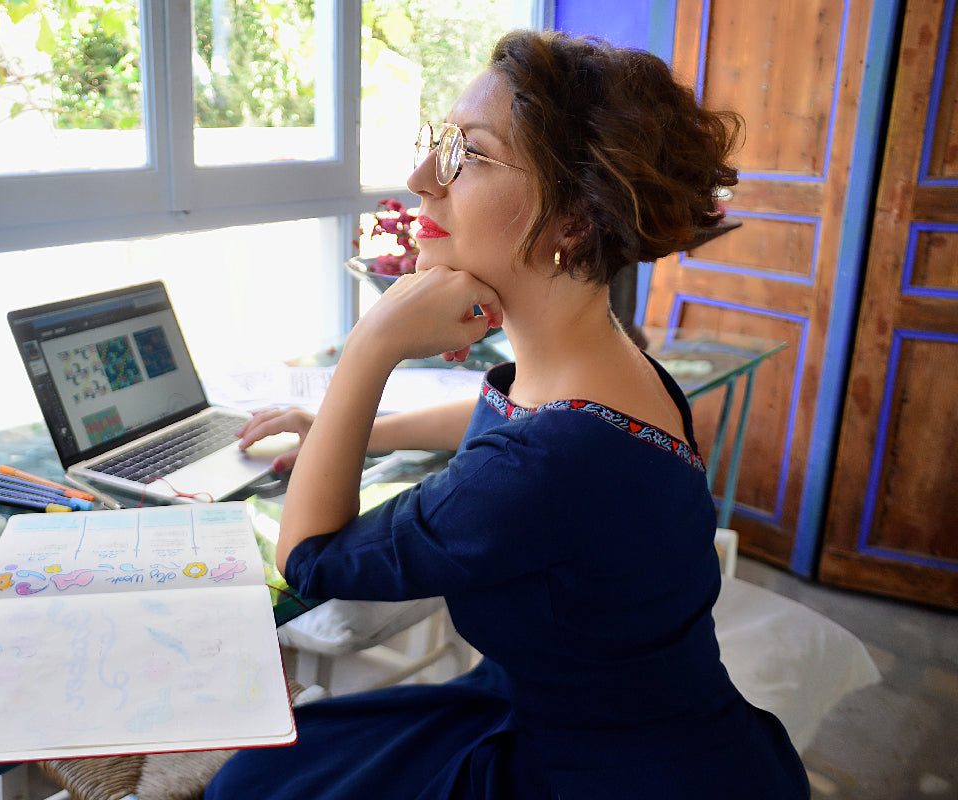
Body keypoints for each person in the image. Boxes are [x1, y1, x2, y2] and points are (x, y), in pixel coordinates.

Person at [207, 29, 810, 800]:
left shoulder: (546, 466)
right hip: (624, 716)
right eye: (442, 143)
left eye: (472, 155)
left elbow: (310, 557)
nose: (422, 176)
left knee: (251, 784)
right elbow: (510, 414)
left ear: (573, 221)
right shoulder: (610, 369)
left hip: (607, 772)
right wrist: (346, 431)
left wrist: (371, 346)